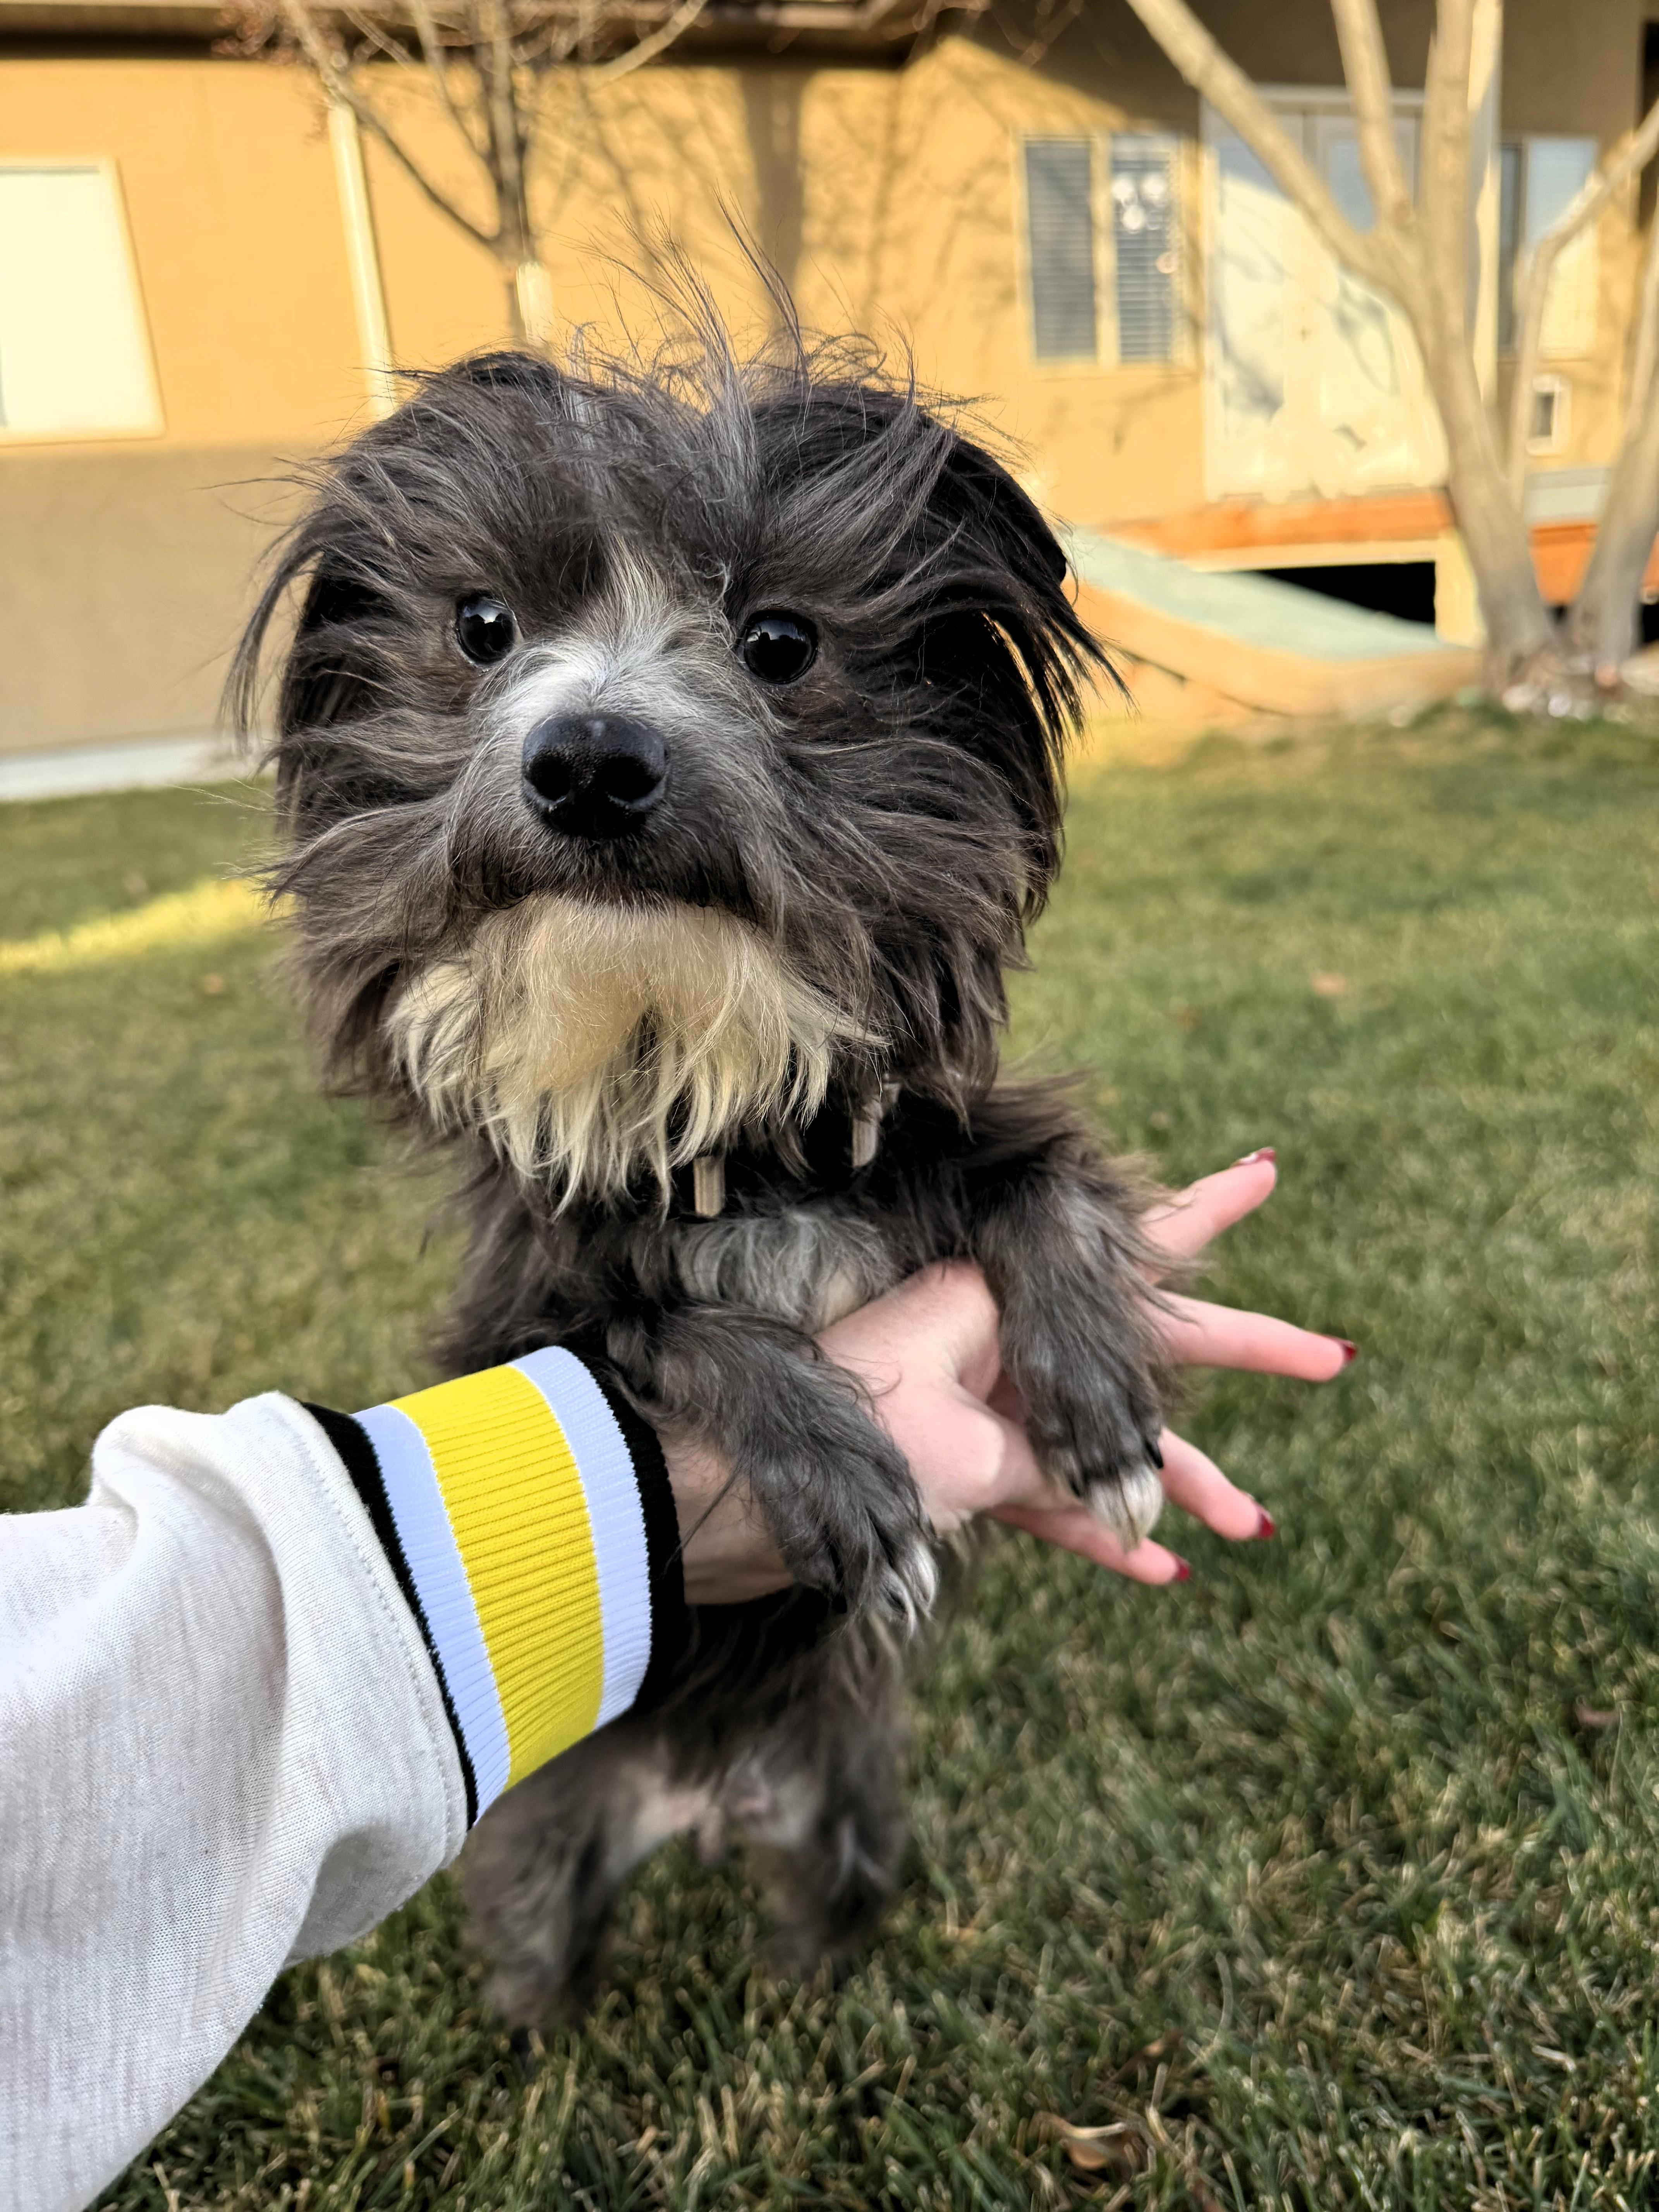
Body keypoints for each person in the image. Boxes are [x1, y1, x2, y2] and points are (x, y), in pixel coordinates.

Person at [0, 1151, 1350, 2212]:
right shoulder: (550, 1194)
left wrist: (1058, 1261)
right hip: (596, 1695)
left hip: (809, 1682)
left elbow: (1034, 1181)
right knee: (559, 1864)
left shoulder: (960, 1145)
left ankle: (828, 1961)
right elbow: (532, 1360)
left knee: (847, 1822)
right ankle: (540, 2004)